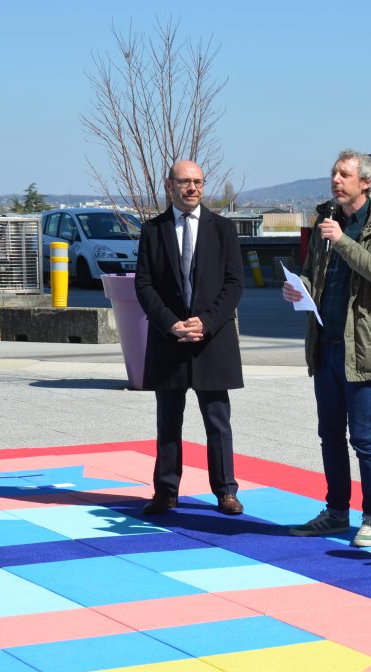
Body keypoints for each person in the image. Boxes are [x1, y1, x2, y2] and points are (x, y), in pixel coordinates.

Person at [281, 149, 371, 548]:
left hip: (364, 346)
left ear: (365, 182)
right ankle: (336, 512)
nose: (335, 179)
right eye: (334, 173)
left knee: (364, 437)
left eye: (344, 174)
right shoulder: (326, 219)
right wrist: (298, 285)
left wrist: (343, 242)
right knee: (329, 434)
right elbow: (316, 270)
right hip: (326, 343)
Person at [134, 160, 245, 517]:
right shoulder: (153, 230)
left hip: (212, 340)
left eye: (198, 181)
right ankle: (166, 491)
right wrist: (170, 324)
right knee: (169, 421)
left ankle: (226, 490)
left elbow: (234, 285)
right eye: (185, 182)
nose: (192, 188)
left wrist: (207, 323)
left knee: (217, 421)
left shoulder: (224, 229)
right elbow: (144, 285)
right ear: (170, 185)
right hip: (170, 341)